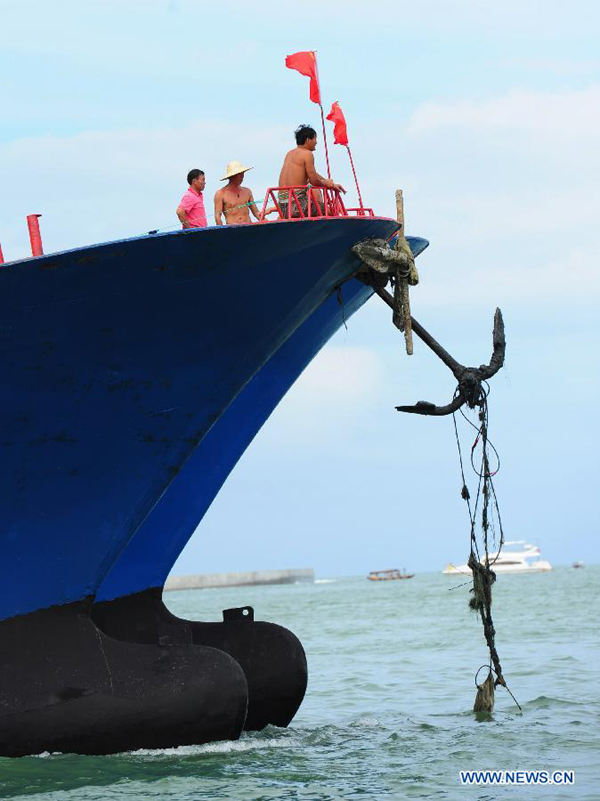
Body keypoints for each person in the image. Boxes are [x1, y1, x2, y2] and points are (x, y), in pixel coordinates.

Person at [277, 125, 345, 217]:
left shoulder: (290, 153)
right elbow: (314, 181)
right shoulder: (307, 154)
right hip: (297, 205)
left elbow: (312, 174)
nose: (316, 142)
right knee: (330, 212)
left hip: (283, 207)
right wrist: (327, 184)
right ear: (308, 139)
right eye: (315, 139)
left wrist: (331, 183)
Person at [214, 161, 262, 225]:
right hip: (232, 229)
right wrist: (221, 232)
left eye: (243, 174)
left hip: (248, 227)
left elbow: (256, 213)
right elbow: (218, 217)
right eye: (240, 174)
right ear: (232, 176)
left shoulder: (247, 191)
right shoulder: (221, 193)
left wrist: (268, 224)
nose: (242, 176)